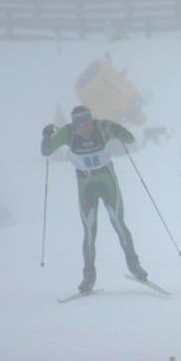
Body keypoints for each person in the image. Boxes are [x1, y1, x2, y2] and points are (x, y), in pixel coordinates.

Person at [40, 105, 148, 293]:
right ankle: (89, 277)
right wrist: (46, 137)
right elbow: (46, 151)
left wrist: (121, 131)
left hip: (106, 179)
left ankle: (134, 265)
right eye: (79, 125)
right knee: (89, 229)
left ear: (91, 120)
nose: (83, 128)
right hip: (85, 184)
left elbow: (129, 139)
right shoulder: (68, 132)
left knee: (118, 222)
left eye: (86, 123)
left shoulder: (102, 127)